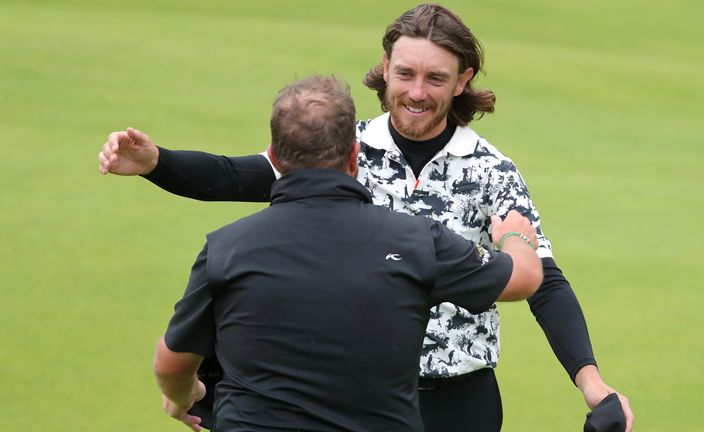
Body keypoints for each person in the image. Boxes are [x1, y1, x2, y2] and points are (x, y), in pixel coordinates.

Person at [101, 4, 634, 431]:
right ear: (384, 66)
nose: (416, 92)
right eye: (404, 73)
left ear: (463, 78)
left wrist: (593, 383)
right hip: (353, 396)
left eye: (435, 78)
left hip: (458, 400)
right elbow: (235, 176)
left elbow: (541, 280)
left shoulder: (492, 169)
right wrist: (156, 163)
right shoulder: (339, 148)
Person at [152, 75, 544, 432]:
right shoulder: (417, 242)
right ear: (354, 156)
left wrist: (186, 395)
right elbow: (522, 278)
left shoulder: (227, 247)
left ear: (273, 154)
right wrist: (516, 236)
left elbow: (171, 364)